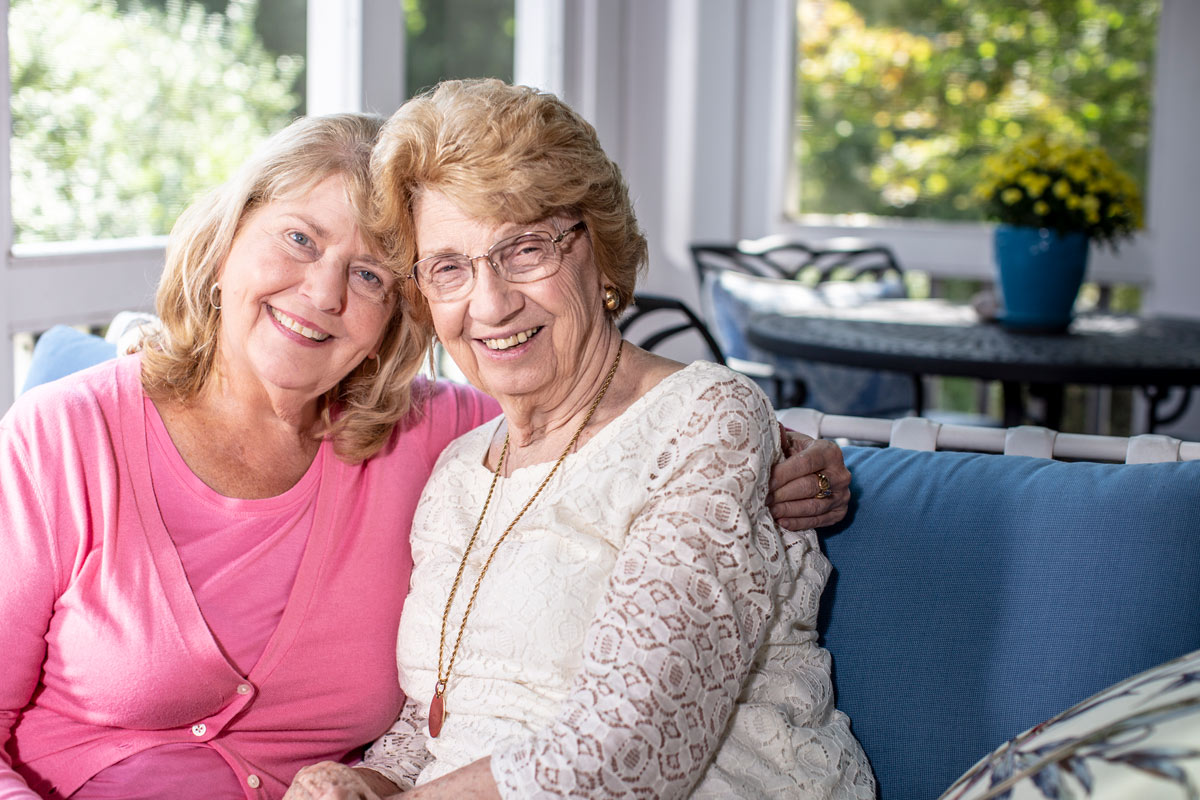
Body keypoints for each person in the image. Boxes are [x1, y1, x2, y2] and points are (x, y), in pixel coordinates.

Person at [0, 114, 849, 799]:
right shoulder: (62, 440)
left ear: (396, 319)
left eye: (370, 276)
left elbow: (609, 428)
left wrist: (788, 453)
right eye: (299, 239)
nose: (325, 293)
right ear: (225, 244)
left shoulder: (430, 438)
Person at [287, 80, 874, 800]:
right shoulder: (459, 468)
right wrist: (365, 782)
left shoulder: (701, 419)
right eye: (449, 268)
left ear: (596, 249)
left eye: (525, 249)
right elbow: (441, 721)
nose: (492, 303)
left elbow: (635, 749)